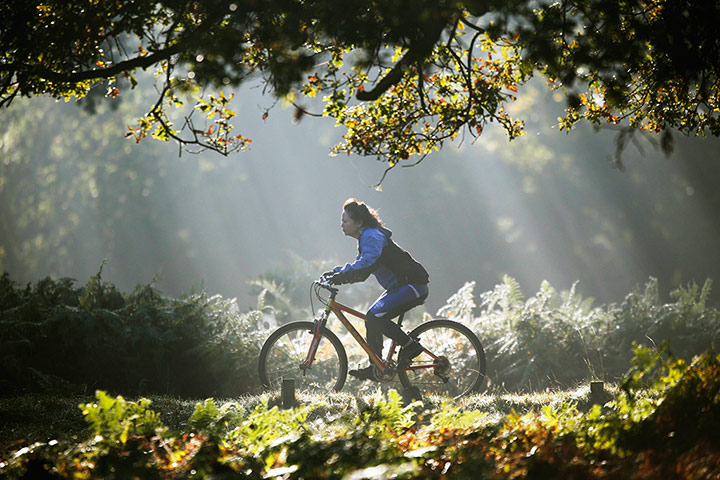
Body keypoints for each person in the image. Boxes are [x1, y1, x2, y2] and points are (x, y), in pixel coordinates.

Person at [322, 198, 430, 381]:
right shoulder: (367, 236)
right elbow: (362, 267)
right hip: (401, 286)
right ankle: (376, 366)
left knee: (375, 317)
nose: (342, 225)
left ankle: (411, 346)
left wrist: (340, 276)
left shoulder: (371, 236)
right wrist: (336, 273)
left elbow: (366, 264)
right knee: (371, 318)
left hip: (412, 285)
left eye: (345, 221)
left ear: (359, 223)